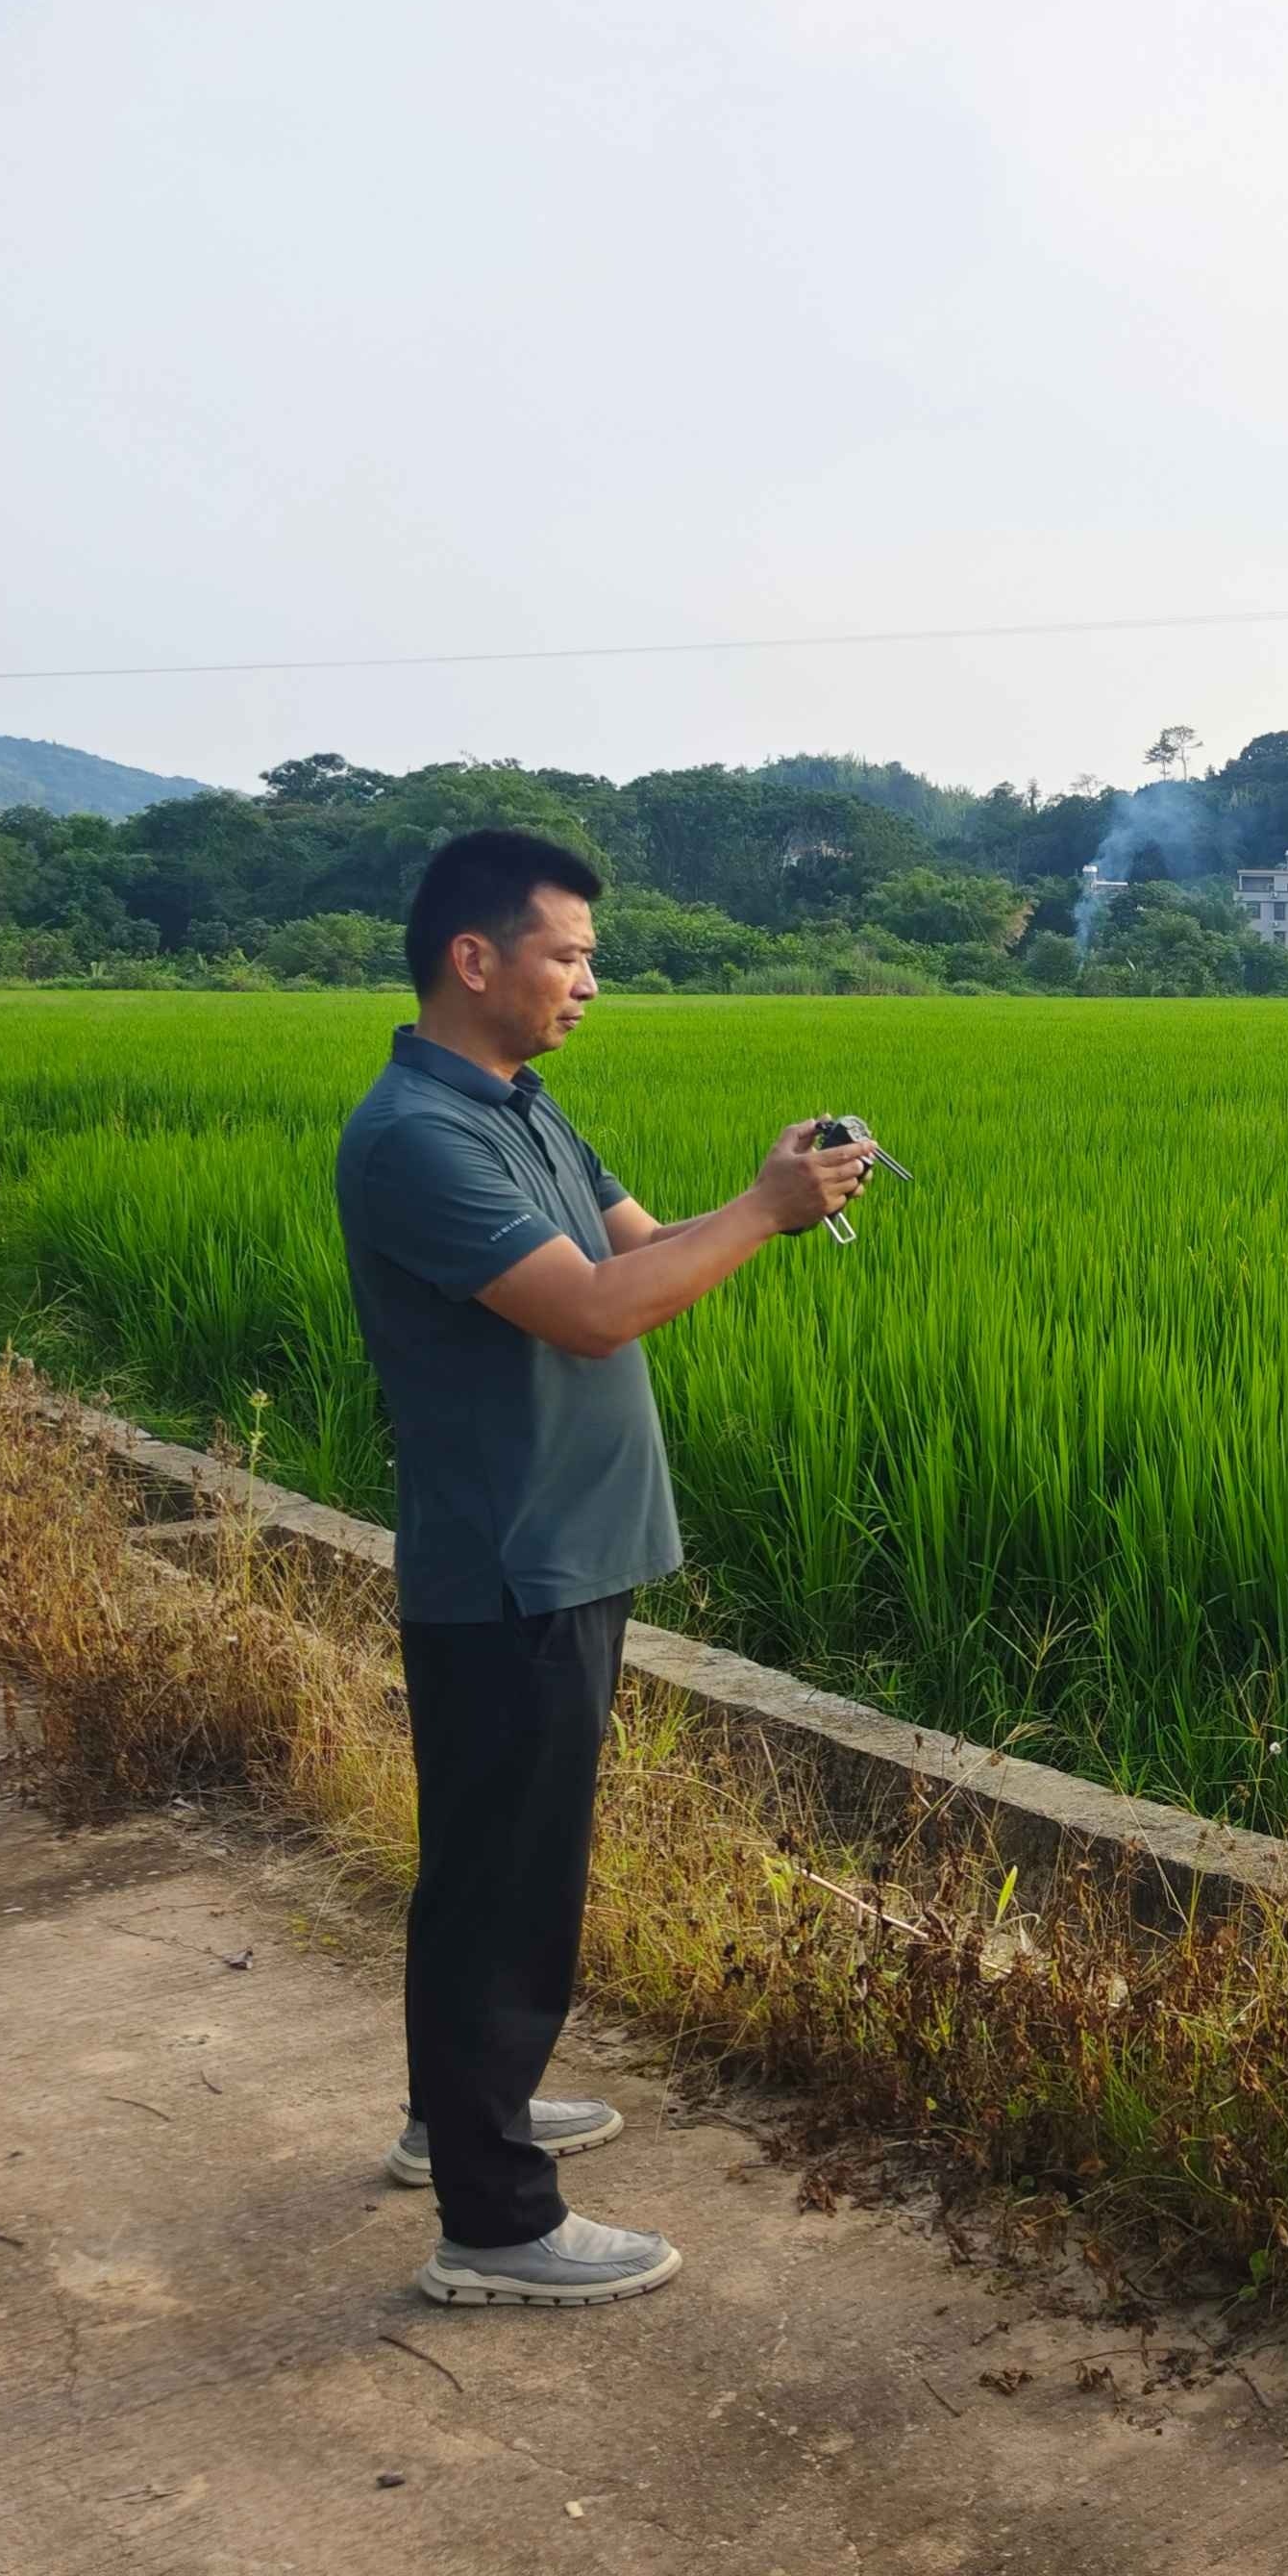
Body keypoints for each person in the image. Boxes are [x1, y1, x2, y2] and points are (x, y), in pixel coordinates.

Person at [334, 828, 874, 2308]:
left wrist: (775, 1195)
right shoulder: (418, 1136)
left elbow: (638, 1251)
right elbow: (590, 1314)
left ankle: (455, 2115)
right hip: (516, 1562)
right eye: (568, 954)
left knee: (499, 1867)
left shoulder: (519, 1107)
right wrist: (763, 1214)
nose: (588, 982)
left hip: (566, 1552)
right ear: (475, 958)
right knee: (504, 1888)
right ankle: (495, 2222)